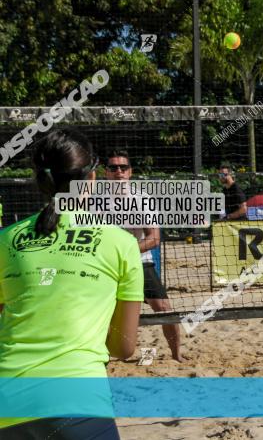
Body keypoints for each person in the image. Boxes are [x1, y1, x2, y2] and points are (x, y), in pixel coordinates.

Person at [0, 129, 142, 438]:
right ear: (90, 179)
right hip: (78, 402)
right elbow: (124, 347)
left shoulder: (4, 240)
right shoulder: (121, 243)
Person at [104, 150, 183, 362]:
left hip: (138, 263)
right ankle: (102, 355)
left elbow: (154, 238)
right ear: (106, 173)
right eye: (113, 168)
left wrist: (126, 251)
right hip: (106, 266)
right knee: (101, 312)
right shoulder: (96, 201)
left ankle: (177, 355)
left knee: (164, 309)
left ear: (130, 172)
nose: (118, 172)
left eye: (123, 168)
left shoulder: (141, 200)